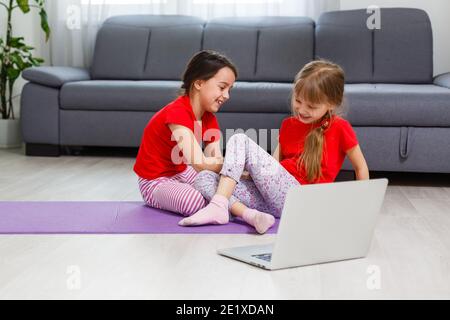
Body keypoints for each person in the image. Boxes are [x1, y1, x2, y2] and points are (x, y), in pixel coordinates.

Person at [179, 60, 369, 234]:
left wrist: (362, 209)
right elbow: (274, 165)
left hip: (304, 201)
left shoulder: (340, 128)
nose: (302, 110)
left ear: (331, 104)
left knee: (239, 139)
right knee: (204, 178)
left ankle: (219, 206)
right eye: (298, 101)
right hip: (274, 202)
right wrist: (242, 172)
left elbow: (360, 168)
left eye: (311, 106)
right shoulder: (288, 125)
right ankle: (251, 216)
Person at [134, 50, 237, 216]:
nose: (227, 96)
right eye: (222, 87)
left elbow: (214, 161)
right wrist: (234, 165)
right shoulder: (177, 113)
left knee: (224, 186)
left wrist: (234, 173)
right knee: (194, 201)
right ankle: (223, 205)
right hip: (155, 181)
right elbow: (200, 164)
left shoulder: (209, 117)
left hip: (182, 172)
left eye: (229, 89)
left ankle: (225, 205)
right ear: (198, 83)